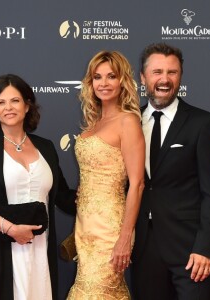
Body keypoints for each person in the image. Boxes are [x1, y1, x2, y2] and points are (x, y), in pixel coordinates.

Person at [131, 43, 210, 300]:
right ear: (143, 77)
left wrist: (205, 248)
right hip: (143, 248)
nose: (164, 79)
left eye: (172, 72)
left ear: (180, 76)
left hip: (190, 249)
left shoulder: (203, 123)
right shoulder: (130, 123)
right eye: (157, 71)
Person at [0, 74, 76, 300]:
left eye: (15, 101)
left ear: (27, 105)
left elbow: (62, 196)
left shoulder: (46, 147)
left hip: (39, 250)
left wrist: (96, 194)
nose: (8, 108)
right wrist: (9, 228)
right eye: (1, 102)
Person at [67, 51, 145, 299]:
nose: (104, 83)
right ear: (90, 83)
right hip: (85, 225)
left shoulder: (128, 121)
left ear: (122, 81)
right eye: (97, 77)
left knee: (97, 290)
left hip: (111, 227)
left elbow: (137, 184)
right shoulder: (93, 123)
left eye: (111, 76)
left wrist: (124, 238)